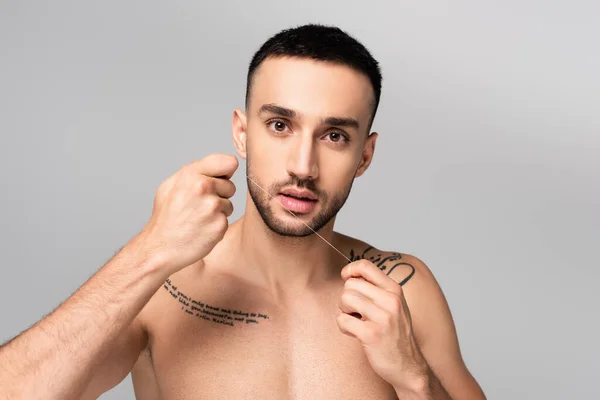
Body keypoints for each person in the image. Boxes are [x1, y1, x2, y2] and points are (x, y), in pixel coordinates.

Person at [0, 24, 486, 399]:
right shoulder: (165, 290)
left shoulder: (402, 288)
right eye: (279, 125)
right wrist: (148, 253)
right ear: (242, 133)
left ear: (365, 155)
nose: (303, 167)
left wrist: (415, 380)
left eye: (334, 136)